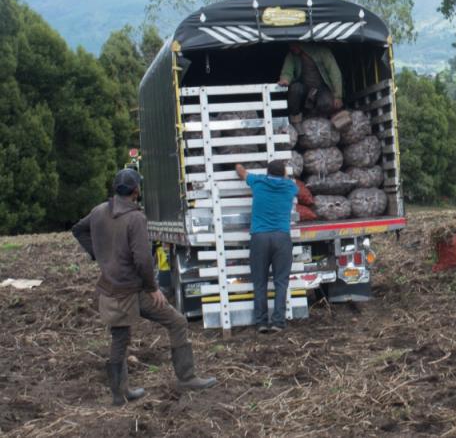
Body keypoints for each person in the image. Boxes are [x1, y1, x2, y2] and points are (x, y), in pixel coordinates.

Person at [71, 169, 216, 406]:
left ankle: (120, 394)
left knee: (120, 339)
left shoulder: (98, 211)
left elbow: (78, 229)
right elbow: (142, 260)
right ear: (136, 190)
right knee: (177, 322)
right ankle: (187, 378)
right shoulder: (136, 218)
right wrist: (152, 287)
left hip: (110, 290)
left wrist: (100, 256)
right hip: (133, 290)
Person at [236, 160, 298, 333]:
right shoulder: (290, 187)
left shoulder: (258, 181)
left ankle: (261, 322)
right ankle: (278, 322)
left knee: (260, 282)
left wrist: (238, 165)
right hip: (282, 237)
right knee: (281, 281)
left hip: (260, 238)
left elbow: (240, 170)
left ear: (267, 172)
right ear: (284, 173)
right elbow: (290, 183)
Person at [278, 42, 344, 124]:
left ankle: (316, 117)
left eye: (294, 44)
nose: (291, 47)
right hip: (303, 87)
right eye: (290, 45)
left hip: (321, 87)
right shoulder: (291, 55)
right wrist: (285, 79)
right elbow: (287, 71)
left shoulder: (322, 51)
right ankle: (296, 119)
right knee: (295, 89)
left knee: (327, 104)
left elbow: (334, 73)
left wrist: (338, 96)